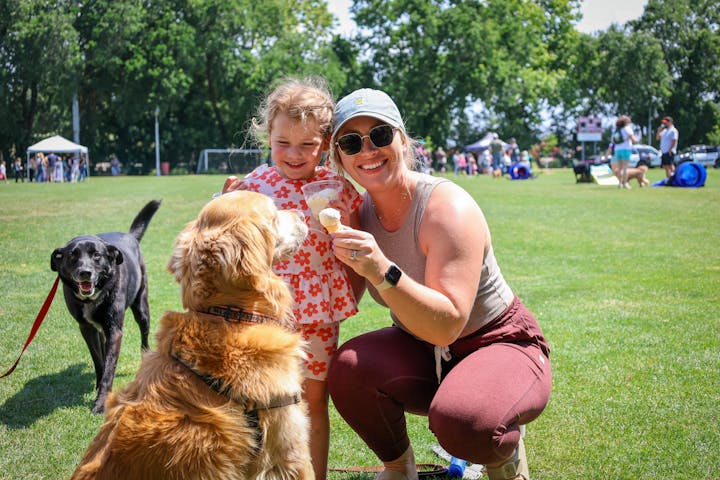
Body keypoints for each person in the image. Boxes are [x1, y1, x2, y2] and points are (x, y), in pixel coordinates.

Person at [326, 88, 552, 480]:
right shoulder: (357, 215)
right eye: (350, 142)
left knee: (465, 422)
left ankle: (504, 454)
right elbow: (338, 297)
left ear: (402, 138)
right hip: (422, 345)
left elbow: (447, 323)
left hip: (497, 340)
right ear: (339, 157)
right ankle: (399, 468)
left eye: (379, 135)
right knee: (348, 369)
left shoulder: (447, 206)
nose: (367, 150)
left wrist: (383, 269)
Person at [220, 77, 362, 480]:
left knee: (314, 401)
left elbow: (356, 246)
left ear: (326, 145)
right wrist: (223, 198)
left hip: (319, 315)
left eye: (307, 145)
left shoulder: (337, 187)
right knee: (257, 402)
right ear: (268, 135)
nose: (294, 154)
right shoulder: (254, 186)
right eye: (283, 143)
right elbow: (227, 242)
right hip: (262, 313)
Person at [612, 115, 639, 189]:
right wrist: (638, 139)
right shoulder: (627, 129)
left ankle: (620, 183)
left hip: (617, 150)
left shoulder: (616, 130)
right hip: (626, 149)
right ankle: (625, 183)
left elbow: (613, 141)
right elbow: (633, 140)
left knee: (619, 168)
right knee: (625, 168)